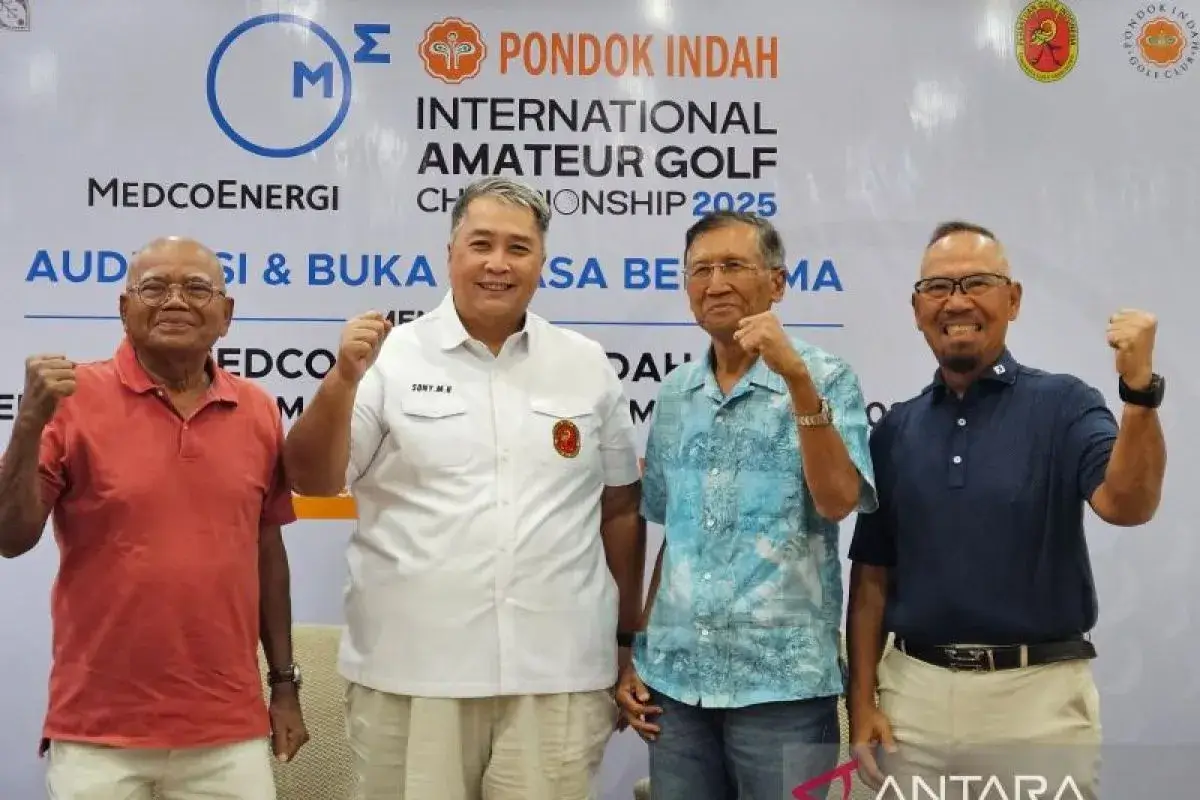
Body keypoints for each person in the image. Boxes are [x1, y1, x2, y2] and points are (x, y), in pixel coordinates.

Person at [283, 176, 644, 800]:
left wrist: (625, 640)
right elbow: (313, 479)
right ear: (450, 254)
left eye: (518, 248)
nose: (498, 263)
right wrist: (341, 380)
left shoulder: (585, 363)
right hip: (412, 674)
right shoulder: (389, 358)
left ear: (542, 262)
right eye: (481, 244)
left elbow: (619, 507)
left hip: (556, 675)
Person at [846, 221, 1167, 800]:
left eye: (977, 283)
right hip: (911, 703)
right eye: (938, 287)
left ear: (1013, 300)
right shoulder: (894, 429)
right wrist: (862, 701)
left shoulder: (1065, 404)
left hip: (1035, 703)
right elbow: (871, 579)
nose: (957, 302)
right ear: (917, 309)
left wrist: (1139, 394)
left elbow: (1128, 505)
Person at [0, 237, 308, 799]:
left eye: (196, 288)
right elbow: (9, 538)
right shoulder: (70, 399)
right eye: (154, 287)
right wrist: (27, 426)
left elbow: (267, 554)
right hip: (98, 732)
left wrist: (284, 685)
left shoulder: (259, 409)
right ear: (124, 309)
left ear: (226, 315)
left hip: (227, 730)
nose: (175, 300)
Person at [614, 210, 878, 798]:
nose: (715, 284)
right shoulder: (676, 393)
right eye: (700, 270)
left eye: (734, 266)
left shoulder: (826, 377)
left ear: (777, 283)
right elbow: (676, 541)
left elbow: (838, 501)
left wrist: (798, 382)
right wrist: (640, 651)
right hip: (676, 687)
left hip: (783, 691)